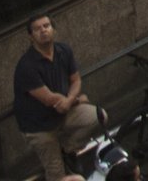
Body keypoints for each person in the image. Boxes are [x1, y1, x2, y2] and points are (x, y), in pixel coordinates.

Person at [15, 15, 99, 181]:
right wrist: (77, 100)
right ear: (31, 36)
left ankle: (67, 149)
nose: (43, 30)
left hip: (63, 112)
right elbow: (50, 99)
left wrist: (70, 98)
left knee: (97, 115)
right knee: (56, 173)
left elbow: (75, 80)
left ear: (53, 29)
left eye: (46, 26)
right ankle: (59, 159)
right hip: (39, 126)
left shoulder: (63, 50)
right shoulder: (27, 66)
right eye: (38, 29)